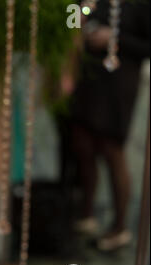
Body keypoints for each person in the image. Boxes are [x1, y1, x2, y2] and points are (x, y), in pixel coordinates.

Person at [65, 0, 150, 251]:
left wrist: (114, 39)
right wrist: (79, 18)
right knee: (84, 144)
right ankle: (87, 214)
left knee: (113, 149)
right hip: (89, 75)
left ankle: (120, 226)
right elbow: (71, 19)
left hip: (119, 82)